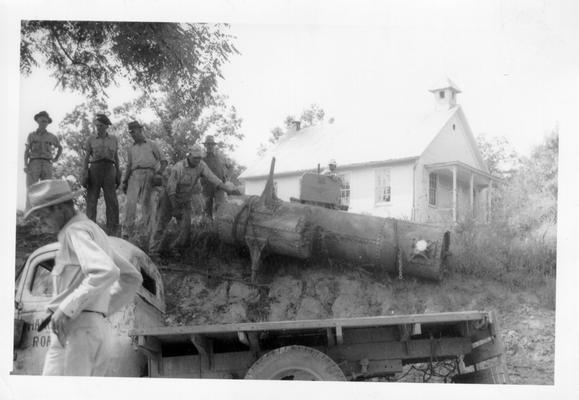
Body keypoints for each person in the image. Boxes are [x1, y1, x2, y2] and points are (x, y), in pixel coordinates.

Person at [24, 179, 142, 376]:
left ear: (60, 208)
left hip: (76, 332)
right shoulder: (94, 231)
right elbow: (132, 278)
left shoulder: (75, 231)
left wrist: (67, 308)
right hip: (93, 329)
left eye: (42, 216)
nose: (41, 222)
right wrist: (99, 312)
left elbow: (105, 270)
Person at [149, 144, 237, 259]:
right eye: (195, 158)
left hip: (185, 199)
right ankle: (153, 252)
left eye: (200, 158)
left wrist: (227, 189)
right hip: (169, 198)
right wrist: (175, 208)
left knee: (185, 229)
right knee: (161, 225)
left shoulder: (201, 166)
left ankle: (174, 248)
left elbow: (213, 178)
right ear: (189, 156)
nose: (198, 160)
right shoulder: (178, 167)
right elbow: (171, 189)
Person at [121, 121, 163, 240]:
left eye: (134, 132)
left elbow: (163, 161)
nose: (132, 135)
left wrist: (158, 174)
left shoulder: (152, 144)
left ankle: (151, 234)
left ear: (140, 130)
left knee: (148, 204)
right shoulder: (130, 148)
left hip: (150, 174)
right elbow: (129, 165)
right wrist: (124, 181)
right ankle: (127, 233)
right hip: (134, 175)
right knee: (130, 203)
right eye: (130, 133)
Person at [81, 114, 122, 236]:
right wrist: (85, 172)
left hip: (110, 168)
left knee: (112, 200)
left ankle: (113, 228)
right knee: (92, 198)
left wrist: (118, 172)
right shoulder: (91, 139)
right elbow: (87, 156)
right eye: (97, 125)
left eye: (101, 125)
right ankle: (90, 228)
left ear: (106, 126)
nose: (98, 128)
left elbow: (116, 157)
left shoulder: (114, 139)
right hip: (95, 168)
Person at [24, 111, 63, 193]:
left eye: (46, 121)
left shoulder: (52, 137)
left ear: (48, 123)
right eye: (42, 121)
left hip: (47, 164)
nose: (44, 123)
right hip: (34, 163)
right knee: (31, 190)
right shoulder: (31, 135)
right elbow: (27, 151)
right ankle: (30, 206)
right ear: (38, 121)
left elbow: (60, 147)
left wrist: (56, 158)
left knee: (47, 191)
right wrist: (25, 165)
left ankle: (45, 206)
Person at [202, 135, 231, 218]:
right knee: (207, 210)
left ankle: (219, 226)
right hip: (206, 187)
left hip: (219, 187)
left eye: (211, 144)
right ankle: (208, 227)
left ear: (214, 145)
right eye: (208, 144)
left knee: (220, 208)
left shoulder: (220, 156)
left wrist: (227, 178)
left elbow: (231, 167)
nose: (210, 146)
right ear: (205, 145)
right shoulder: (202, 158)